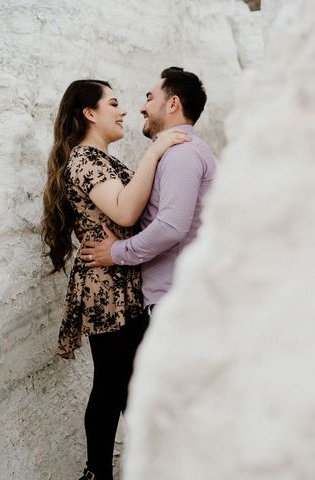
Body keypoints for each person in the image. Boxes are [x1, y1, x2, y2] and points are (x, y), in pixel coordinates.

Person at [41, 79, 190, 480]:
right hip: (105, 286)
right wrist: (157, 148)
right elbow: (125, 212)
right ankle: (97, 473)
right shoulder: (86, 160)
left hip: (122, 279)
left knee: (128, 382)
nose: (123, 111)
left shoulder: (104, 160)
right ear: (90, 113)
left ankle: (143, 465)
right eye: (113, 103)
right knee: (111, 383)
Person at [80, 67, 216, 328]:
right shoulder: (184, 150)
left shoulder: (182, 154)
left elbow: (170, 227)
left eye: (150, 98)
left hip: (176, 302)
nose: (142, 107)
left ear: (173, 103)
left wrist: (116, 252)